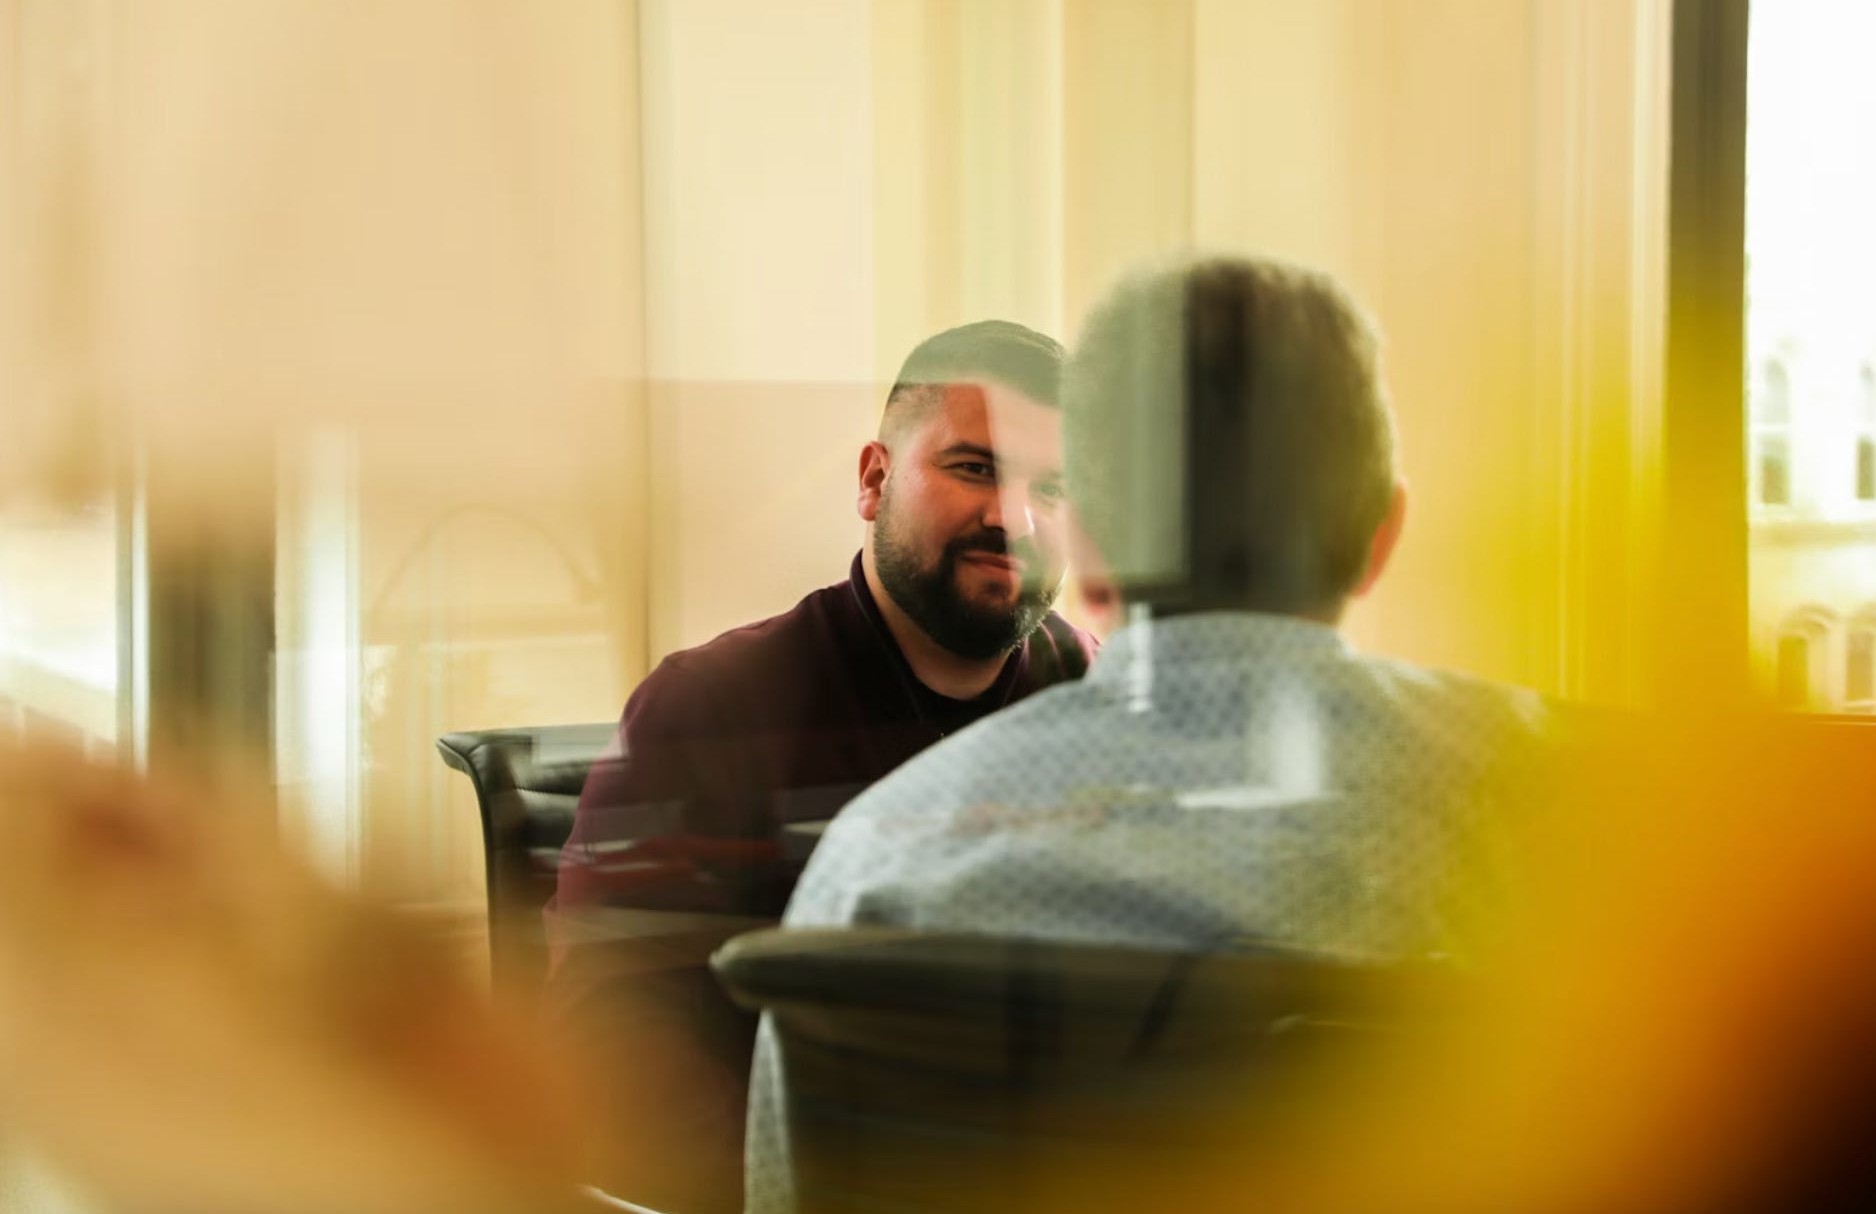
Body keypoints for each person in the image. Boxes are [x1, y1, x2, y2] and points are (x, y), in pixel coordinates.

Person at [740, 255, 1559, 1211]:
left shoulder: (875, 873)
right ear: (1383, 535)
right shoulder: (1593, 823)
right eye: (971, 467)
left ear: (1084, 542)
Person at [546, 319, 1097, 1211]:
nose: (1014, 518)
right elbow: (610, 1042)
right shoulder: (710, 709)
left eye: (1056, 488)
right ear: (874, 480)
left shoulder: (1105, 705)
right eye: (973, 468)